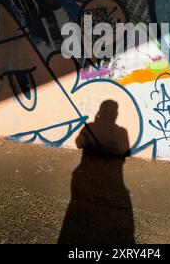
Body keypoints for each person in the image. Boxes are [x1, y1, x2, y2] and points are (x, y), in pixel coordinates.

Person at [58, 100, 135, 244]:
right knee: (84, 212)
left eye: (111, 111)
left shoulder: (119, 131)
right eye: (107, 111)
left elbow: (126, 153)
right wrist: (88, 141)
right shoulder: (91, 127)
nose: (110, 114)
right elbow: (79, 143)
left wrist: (111, 148)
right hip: (89, 175)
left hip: (106, 177)